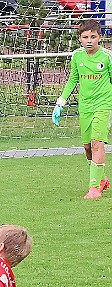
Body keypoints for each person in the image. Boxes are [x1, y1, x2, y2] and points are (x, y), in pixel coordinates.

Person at [52, 19, 112, 199]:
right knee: (87, 147)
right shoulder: (77, 56)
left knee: (97, 143)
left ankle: (94, 188)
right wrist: (60, 103)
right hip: (85, 106)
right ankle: (101, 179)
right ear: (79, 39)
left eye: (93, 37)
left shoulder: (107, 57)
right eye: (85, 37)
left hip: (104, 105)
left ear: (99, 38)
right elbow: (73, 80)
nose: (89, 40)